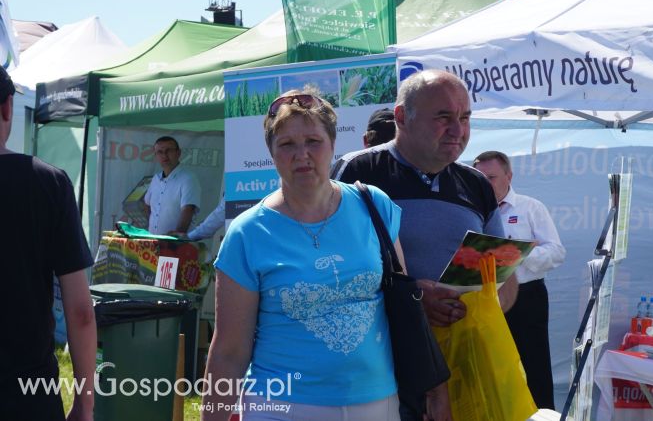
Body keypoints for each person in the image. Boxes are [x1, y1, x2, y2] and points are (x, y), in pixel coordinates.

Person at [203, 91, 405, 421]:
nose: (302, 155)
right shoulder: (247, 233)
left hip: (377, 402)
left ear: (333, 143)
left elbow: (400, 302)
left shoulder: (375, 206)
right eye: (287, 144)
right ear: (271, 152)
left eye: (314, 140)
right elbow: (228, 351)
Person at [332, 70, 517, 421]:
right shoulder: (358, 172)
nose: (458, 130)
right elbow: (330, 269)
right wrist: (413, 300)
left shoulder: (476, 184)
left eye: (464, 118)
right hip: (381, 370)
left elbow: (506, 282)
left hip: (462, 369)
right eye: (443, 117)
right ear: (402, 117)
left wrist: (480, 304)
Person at [0, 66, 96, 421]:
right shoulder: (48, 184)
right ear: (9, 107)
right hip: (28, 396)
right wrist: (84, 404)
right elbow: (81, 311)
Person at [473, 150, 566, 409]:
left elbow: (557, 252)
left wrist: (517, 254)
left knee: (532, 367)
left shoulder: (530, 207)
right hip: (482, 300)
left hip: (526, 298)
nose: (485, 183)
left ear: (509, 176)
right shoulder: (470, 210)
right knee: (488, 370)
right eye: (479, 178)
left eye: (490, 177)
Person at [143, 136, 201, 234]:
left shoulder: (188, 179)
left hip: (176, 246)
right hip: (153, 243)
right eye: (160, 152)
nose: (164, 155)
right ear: (156, 155)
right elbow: (147, 205)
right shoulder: (155, 179)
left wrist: (175, 240)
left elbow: (188, 211)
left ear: (178, 153)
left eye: (168, 150)